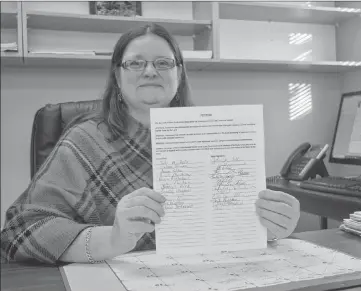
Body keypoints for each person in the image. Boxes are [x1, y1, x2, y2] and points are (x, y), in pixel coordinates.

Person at [0, 23, 300, 265]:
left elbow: (236, 227)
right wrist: (114, 238)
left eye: (162, 63)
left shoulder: (212, 136)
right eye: (135, 63)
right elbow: (19, 233)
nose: (149, 71)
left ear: (178, 74)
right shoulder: (84, 140)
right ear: (117, 77)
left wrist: (272, 228)